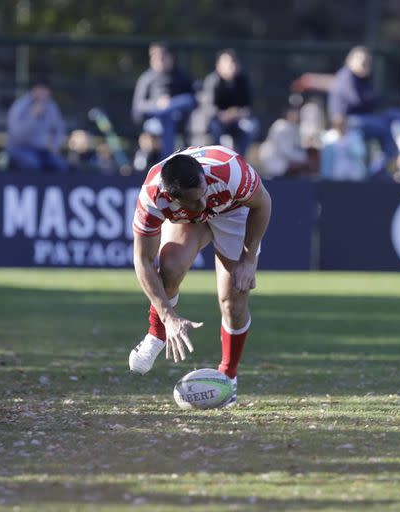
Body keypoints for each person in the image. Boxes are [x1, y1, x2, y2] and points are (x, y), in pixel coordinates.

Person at [128, 145, 272, 407]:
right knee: (169, 268)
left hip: (232, 211)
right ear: (172, 197)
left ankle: (228, 378)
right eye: (193, 201)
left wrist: (248, 261)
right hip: (189, 222)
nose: (202, 204)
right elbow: (143, 259)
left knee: (233, 300)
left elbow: (263, 204)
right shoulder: (153, 195)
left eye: (203, 193)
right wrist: (167, 316)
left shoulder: (229, 171)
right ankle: (156, 334)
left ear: (205, 179)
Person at [328, 46, 400, 173]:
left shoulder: (362, 79)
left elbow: (371, 101)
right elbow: (358, 100)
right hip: (348, 122)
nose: (364, 64)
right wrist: (374, 98)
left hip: (364, 117)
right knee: (385, 129)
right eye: (361, 60)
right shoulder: (346, 76)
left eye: (367, 61)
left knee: (397, 114)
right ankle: (379, 169)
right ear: (350, 61)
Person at [132, 43, 196, 159]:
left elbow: (192, 100)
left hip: (181, 117)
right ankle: (167, 161)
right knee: (167, 117)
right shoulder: (146, 79)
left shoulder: (181, 76)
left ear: (170, 57)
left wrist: (170, 103)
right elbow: (138, 107)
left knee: (181, 104)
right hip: (155, 120)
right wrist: (157, 104)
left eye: (162, 57)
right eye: (155, 58)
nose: (159, 61)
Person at [199, 49, 258, 156]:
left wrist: (236, 114)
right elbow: (208, 107)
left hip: (237, 120)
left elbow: (248, 107)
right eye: (227, 62)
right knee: (214, 128)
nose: (231, 65)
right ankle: (216, 159)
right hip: (217, 121)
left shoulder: (243, 80)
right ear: (218, 66)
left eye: (234, 62)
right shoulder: (212, 80)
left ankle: (240, 159)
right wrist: (221, 115)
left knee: (250, 126)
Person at [6, 80, 68, 172]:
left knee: (60, 165)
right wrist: (33, 117)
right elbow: (17, 135)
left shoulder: (51, 106)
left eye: (46, 90)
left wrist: (56, 146)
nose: (44, 94)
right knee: (33, 164)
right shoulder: (20, 106)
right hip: (20, 148)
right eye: (40, 90)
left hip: (42, 150)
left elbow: (59, 129)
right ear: (33, 91)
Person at [257, 105, 312, 178]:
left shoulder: (293, 127)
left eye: (296, 113)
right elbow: (286, 151)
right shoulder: (281, 127)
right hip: (273, 161)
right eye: (292, 112)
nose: (295, 115)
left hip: (280, 160)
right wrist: (304, 159)